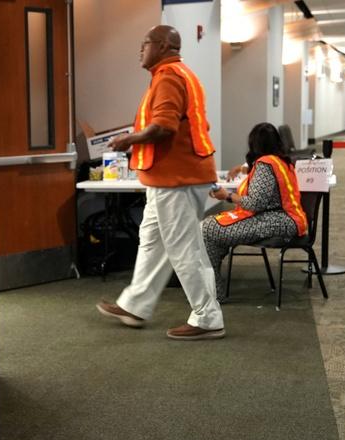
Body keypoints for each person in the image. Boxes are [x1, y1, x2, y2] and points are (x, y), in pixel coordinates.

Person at [95, 25, 224, 340]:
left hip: (176, 178)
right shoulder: (178, 75)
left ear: (165, 45)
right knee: (152, 241)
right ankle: (136, 304)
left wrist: (127, 139)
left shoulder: (168, 77)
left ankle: (208, 318)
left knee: (185, 249)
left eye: (145, 43)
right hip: (170, 178)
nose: (140, 49)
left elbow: (163, 127)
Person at [204, 123, 308, 301]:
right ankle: (212, 291)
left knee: (207, 228)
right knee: (211, 231)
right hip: (287, 220)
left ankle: (213, 293)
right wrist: (242, 168)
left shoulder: (265, 165)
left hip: (276, 222)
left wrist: (227, 196)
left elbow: (255, 203)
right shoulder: (281, 161)